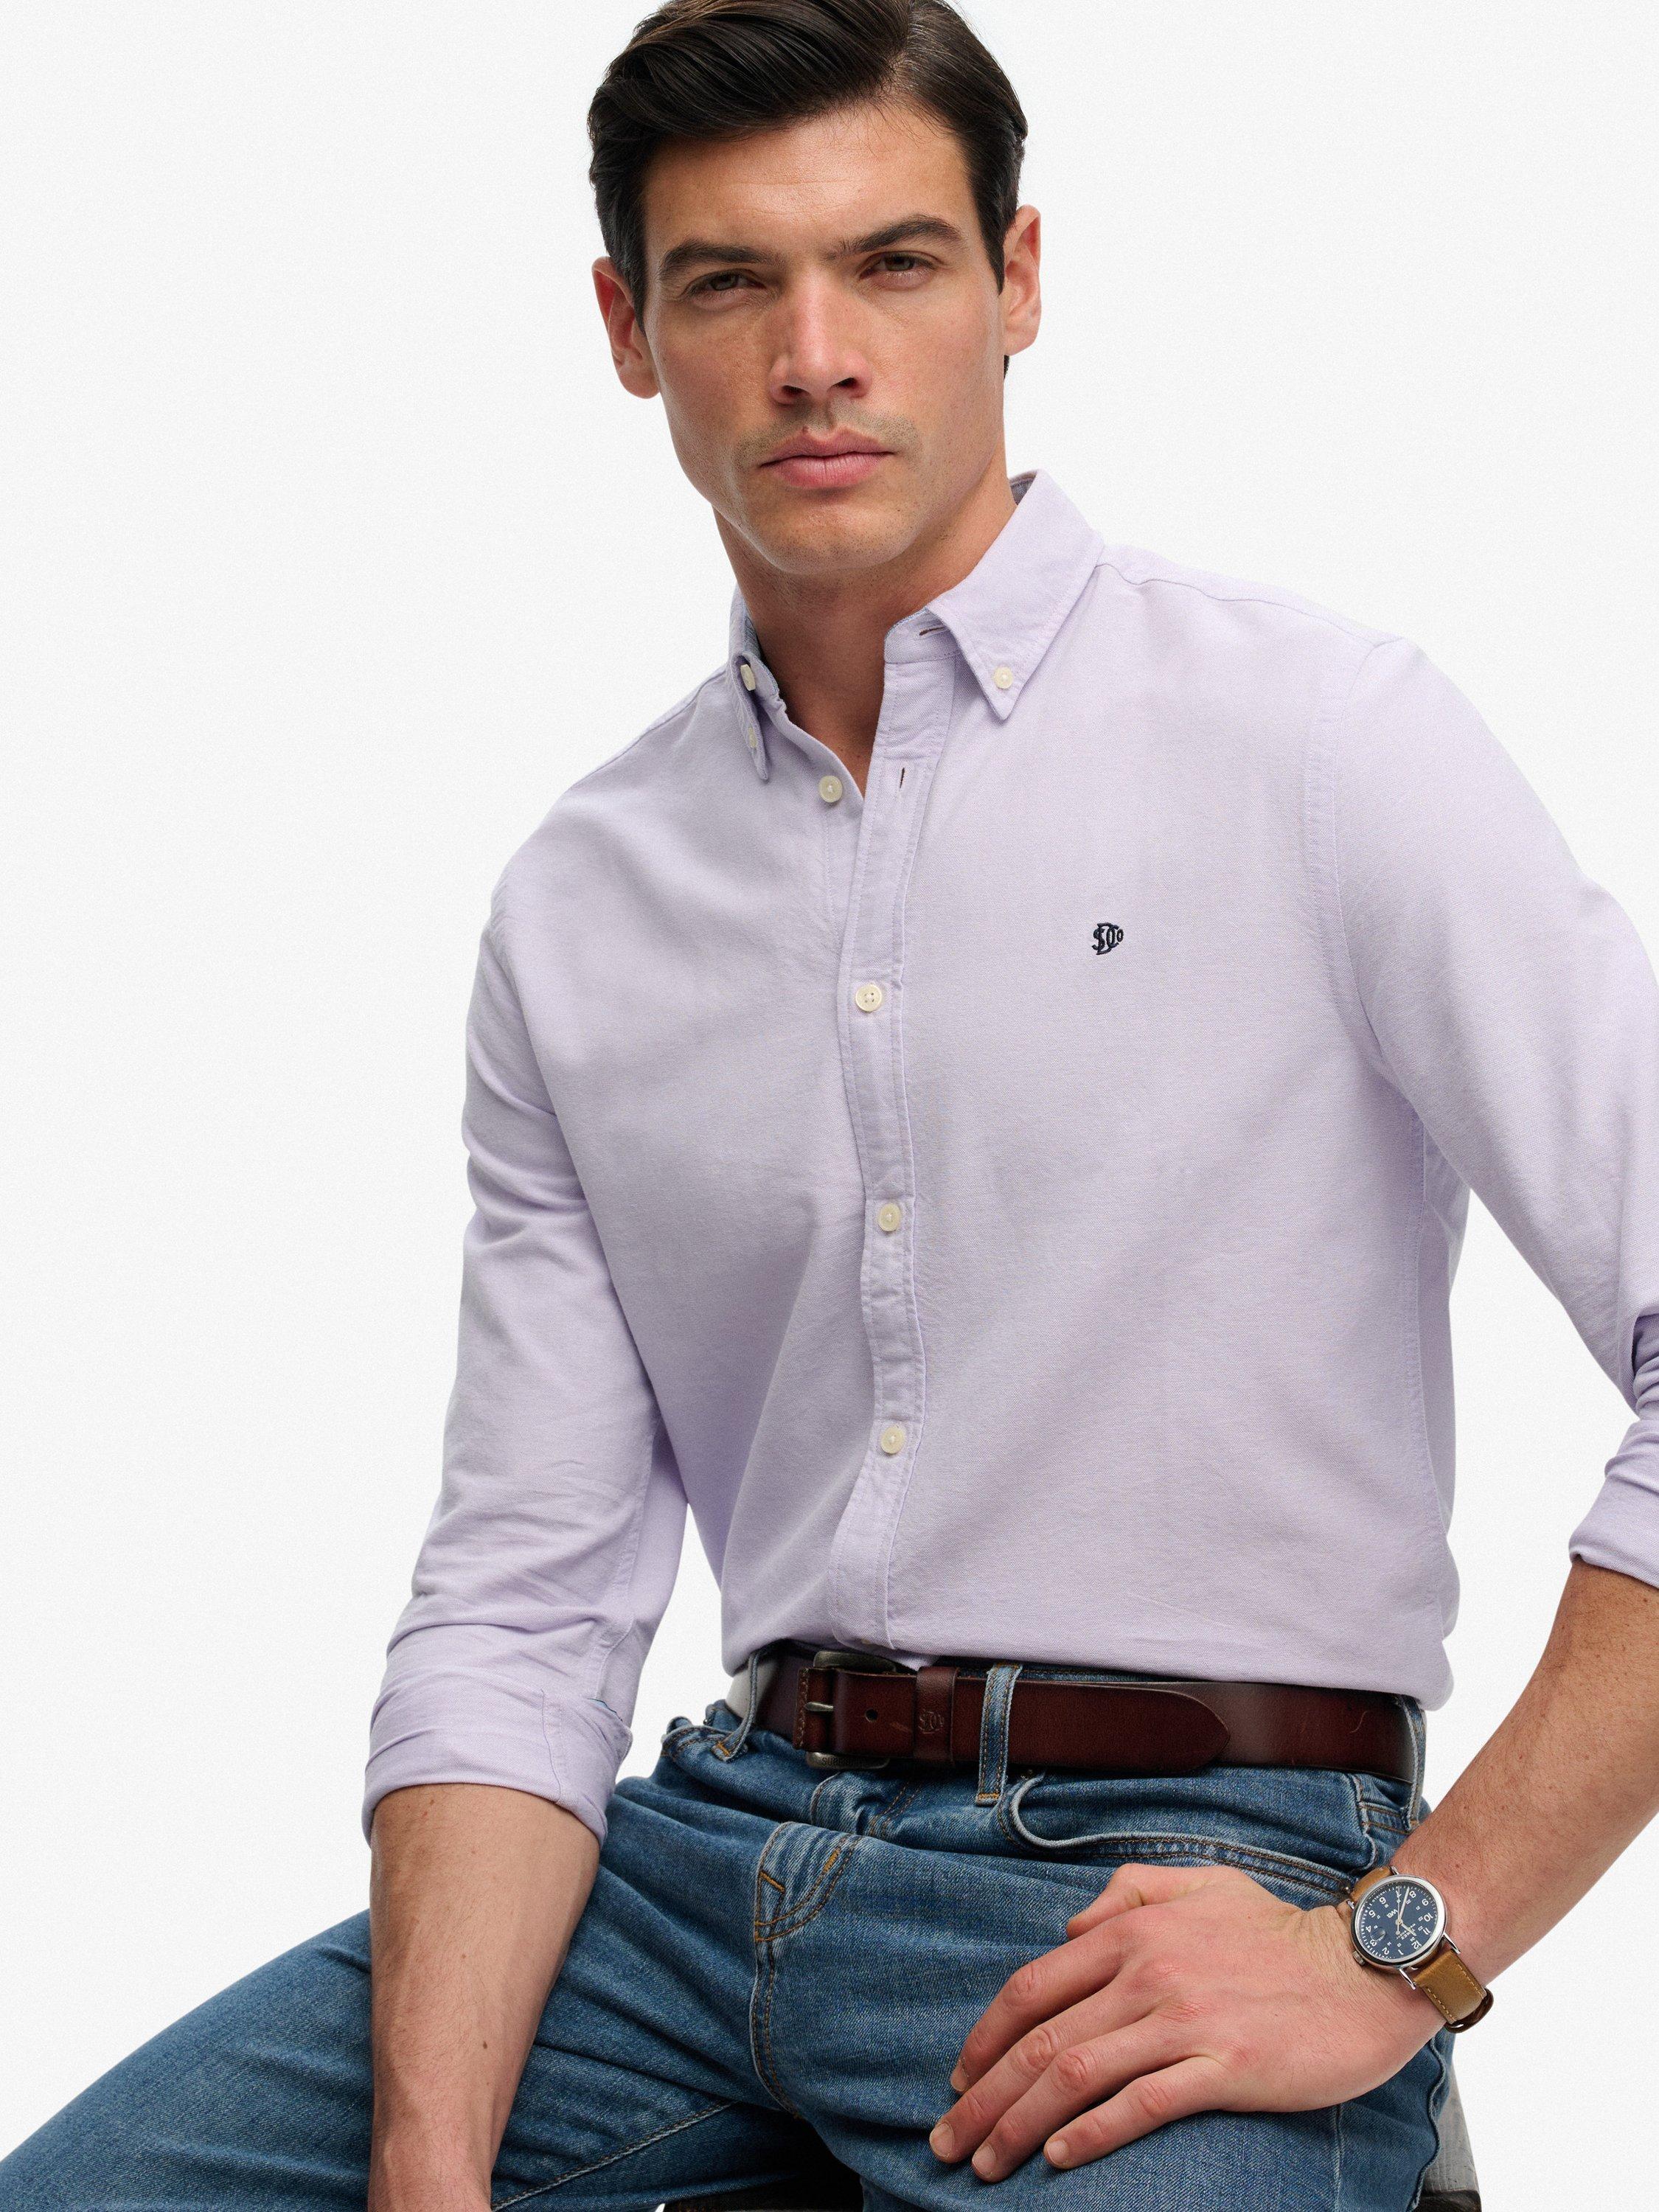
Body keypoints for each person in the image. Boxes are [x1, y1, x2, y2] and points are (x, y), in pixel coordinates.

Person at [4, 1, 1658, 2208]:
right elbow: (527, 1600)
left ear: (1017, 280)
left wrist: (1399, 1947)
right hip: (699, 1870)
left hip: (1174, 1877)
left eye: (890, 264)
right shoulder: (586, 900)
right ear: (627, 330)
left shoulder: (1320, 743)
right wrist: (428, 2169)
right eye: (728, 283)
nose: (814, 357)